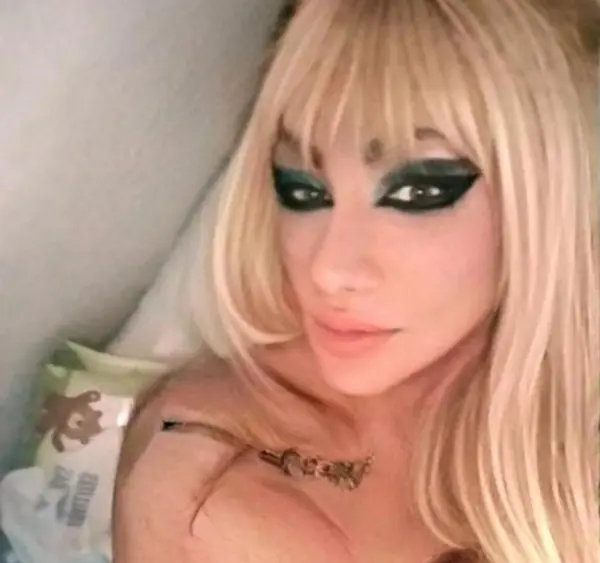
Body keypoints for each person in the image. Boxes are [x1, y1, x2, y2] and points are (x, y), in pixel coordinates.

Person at [112, 0, 600, 561]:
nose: (329, 269)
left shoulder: (566, 423)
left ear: (541, 199)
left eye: (415, 192)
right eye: (303, 190)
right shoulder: (210, 486)